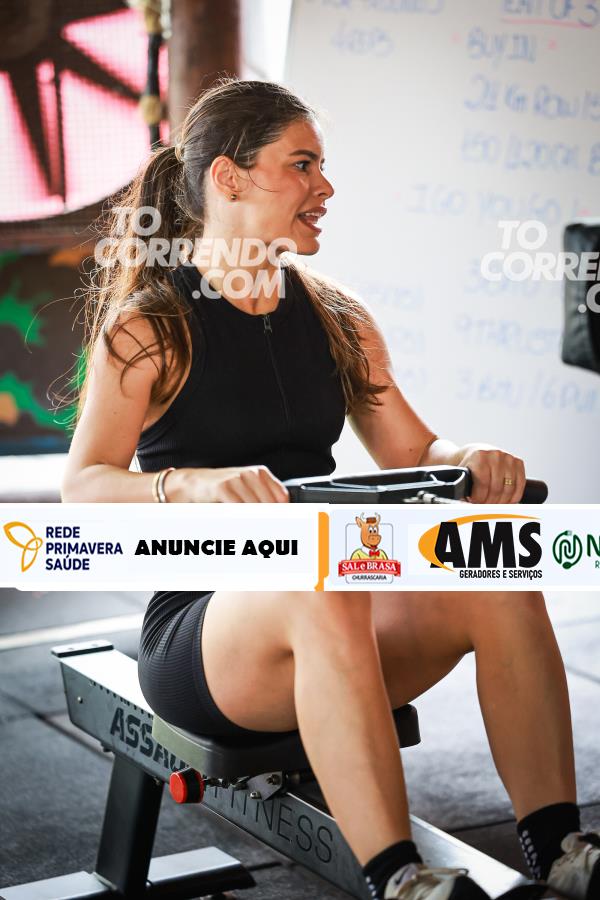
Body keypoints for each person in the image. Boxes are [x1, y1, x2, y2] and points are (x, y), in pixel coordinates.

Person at [62, 78, 599, 900]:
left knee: (493, 570)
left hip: (334, 606)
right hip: (209, 641)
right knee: (321, 580)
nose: (326, 187)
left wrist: (470, 456)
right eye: (303, 164)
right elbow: (84, 485)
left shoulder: (338, 318)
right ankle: (401, 880)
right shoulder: (150, 327)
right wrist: (189, 486)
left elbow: (413, 448)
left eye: (322, 166)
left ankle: (562, 851)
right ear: (229, 178)